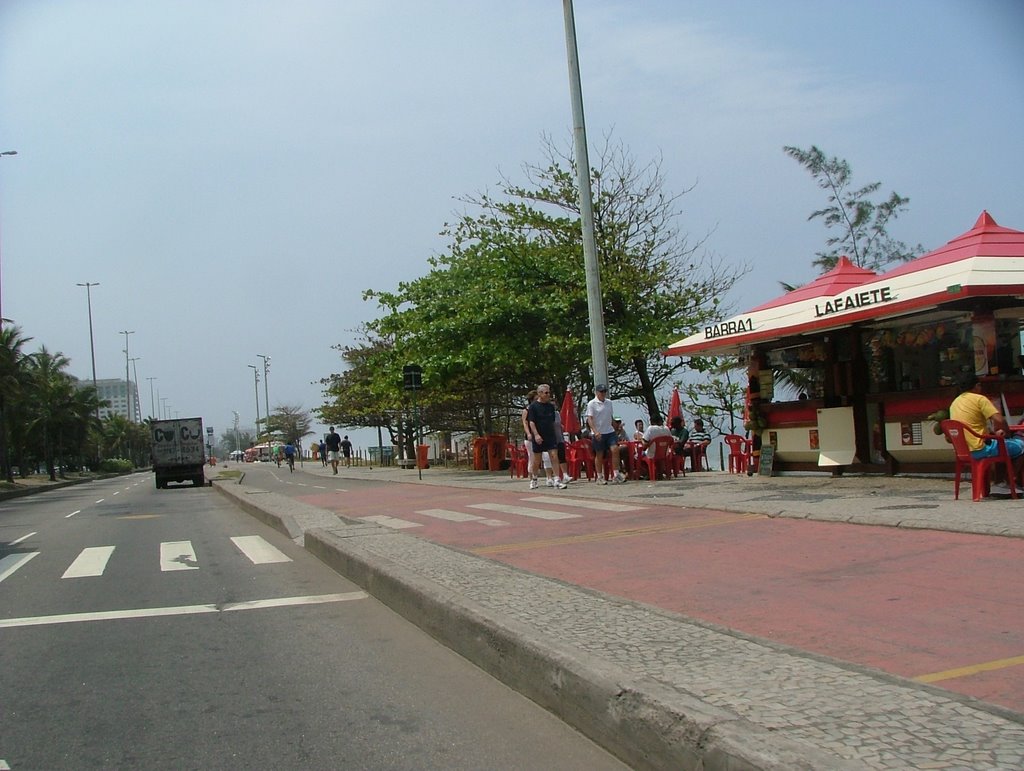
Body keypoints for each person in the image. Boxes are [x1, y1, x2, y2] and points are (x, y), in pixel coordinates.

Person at [949, 372, 1024, 494]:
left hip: (964, 451)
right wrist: (1006, 432)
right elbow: (1000, 420)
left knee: (1001, 445)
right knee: (1020, 446)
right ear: (977, 385)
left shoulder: (954, 403)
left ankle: (999, 483)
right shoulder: (980, 399)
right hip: (981, 449)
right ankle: (1008, 482)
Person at [527, 384, 566, 490]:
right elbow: (531, 422)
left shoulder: (550, 407)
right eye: (546, 393)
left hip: (550, 435)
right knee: (537, 460)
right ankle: (534, 479)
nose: (548, 394)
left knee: (554, 456)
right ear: (539, 393)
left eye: (549, 392)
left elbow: (553, 422)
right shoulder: (533, 407)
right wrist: (536, 434)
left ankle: (557, 479)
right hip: (539, 436)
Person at [586, 384, 626, 484]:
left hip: (609, 431)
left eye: (604, 391)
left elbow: (610, 417)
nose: (603, 393)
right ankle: (599, 476)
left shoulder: (609, 403)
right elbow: (590, 419)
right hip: (599, 432)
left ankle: (616, 474)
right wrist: (595, 431)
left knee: (615, 449)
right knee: (599, 454)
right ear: (597, 392)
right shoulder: (592, 404)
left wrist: (616, 428)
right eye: (601, 391)